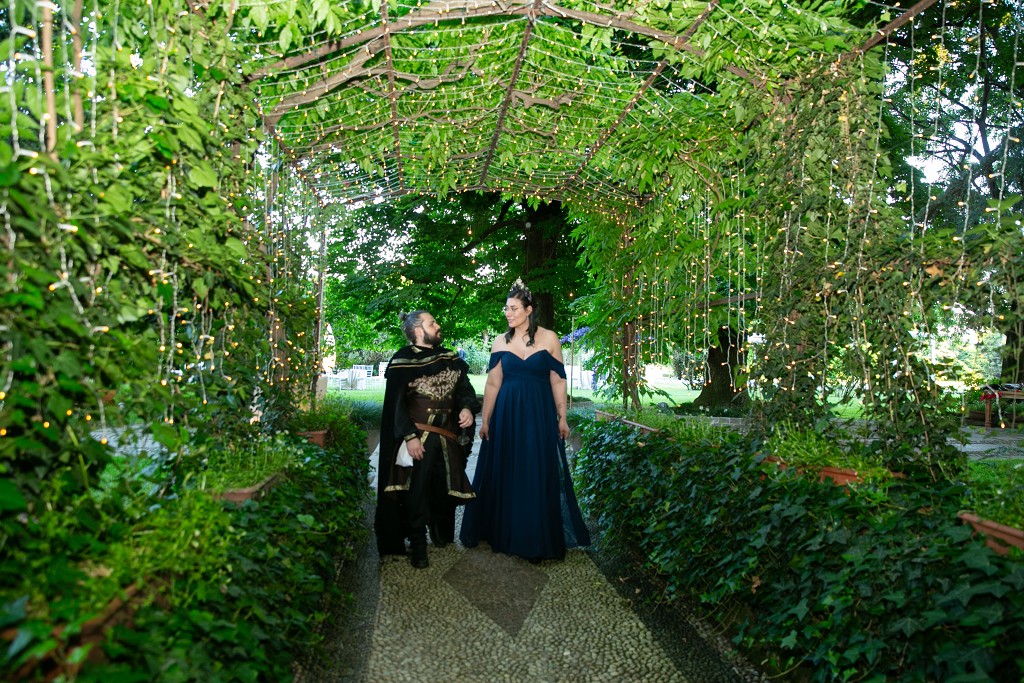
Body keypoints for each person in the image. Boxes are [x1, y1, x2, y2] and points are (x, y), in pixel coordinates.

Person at [459, 279, 591, 562]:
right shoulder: (500, 341)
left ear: (529, 310)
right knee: (506, 468)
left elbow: (558, 380)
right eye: (506, 309)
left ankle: (534, 537)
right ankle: (505, 531)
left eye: (514, 308)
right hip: (506, 414)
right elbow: (493, 384)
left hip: (538, 414)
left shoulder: (550, 338)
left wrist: (562, 417)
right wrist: (486, 419)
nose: (508, 313)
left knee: (534, 469)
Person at [375, 310, 478, 569]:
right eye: (433, 323)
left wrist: (466, 408)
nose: (438, 325)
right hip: (418, 437)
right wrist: (409, 437)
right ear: (419, 331)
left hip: (448, 437)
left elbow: (465, 390)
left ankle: (440, 530)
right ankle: (418, 544)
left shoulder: (450, 358)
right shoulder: (403, 361)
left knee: (445, 488)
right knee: (416, 491)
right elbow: (396, 406)